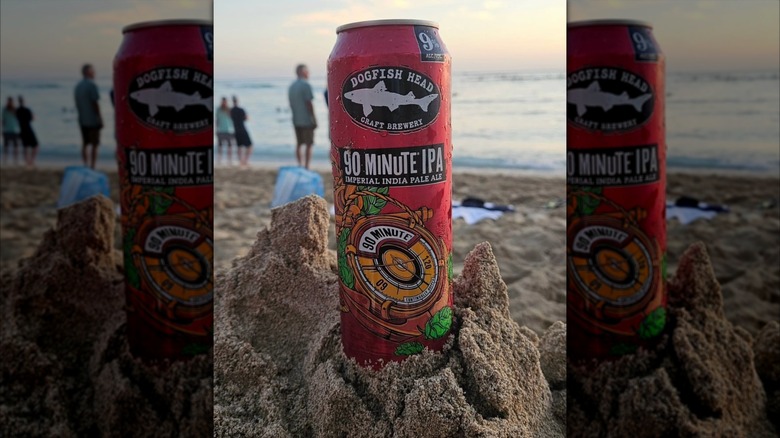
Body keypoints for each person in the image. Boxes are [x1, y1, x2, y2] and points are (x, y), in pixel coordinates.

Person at [74, 63, 103, 169]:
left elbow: (77, 104)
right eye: (92, 71)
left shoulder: (78, 86)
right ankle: (93, 166)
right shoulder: (92, 85)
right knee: (95, 144)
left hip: (82, 119)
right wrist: (100, 118)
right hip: (92, 120)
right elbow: (95, 103)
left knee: (85, 143)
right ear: (87, 72)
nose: (94, 73)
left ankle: (85, 165)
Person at [288, 64, 317, 169]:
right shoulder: (306, 85)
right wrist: (313, 119)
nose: (308, 73)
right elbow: (309, 103)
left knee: (299, 144)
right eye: (307, 71)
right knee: (309, 144)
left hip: (296, 120)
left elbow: (291, 104)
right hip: (306, 120)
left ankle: (300, 165)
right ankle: (307, 166)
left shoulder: (291, 86)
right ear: (301, 72)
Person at [16, 96, 39, 168]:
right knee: (36, 145)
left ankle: (27, 161)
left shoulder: (17, 110)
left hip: (21, 130)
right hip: (28, 129)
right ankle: (31, 161)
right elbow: (32, 118)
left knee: (25, 146)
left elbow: (16, 118)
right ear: (24, 101)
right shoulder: (27, 110)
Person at [230, 95, 253, 169]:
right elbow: (246, 118)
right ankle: (245, 161)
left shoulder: (231, 110)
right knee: (250, 146)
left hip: (236, 130)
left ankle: (241, 161)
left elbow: (230, 118)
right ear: (237, 101)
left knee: (239, 146)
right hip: (242, 129)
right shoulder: (241, 109)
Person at [2, 97, 21, 165]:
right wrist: (2, 130)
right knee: (6, 147)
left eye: (11, 102)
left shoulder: (15, 110)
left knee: (16, 147)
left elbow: (19, 119)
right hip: (7, 130)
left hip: (15, 130)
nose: (10, 103)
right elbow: (3, 121)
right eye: (9, 101)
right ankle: (5, 160)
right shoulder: (4, 110)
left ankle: (15, 161)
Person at [216, 97, 234, 165]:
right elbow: (217, 120)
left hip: (229, 130)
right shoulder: (218, 109)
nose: (224, 103)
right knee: (220, 146)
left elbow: (232, 118)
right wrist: (216, 129)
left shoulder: (229, 109)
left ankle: (229, 161)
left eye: (225, 102)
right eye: (223, 102)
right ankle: (219, 160)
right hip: (221, 130)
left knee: (230, 146)